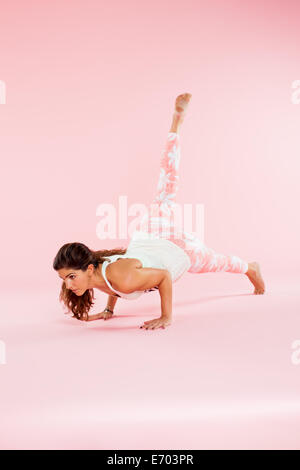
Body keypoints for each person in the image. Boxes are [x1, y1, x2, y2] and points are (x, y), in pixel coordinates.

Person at [53, 93, 265, 330]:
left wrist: (166, 317)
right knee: (167, 182)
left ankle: (250, 267)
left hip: (174, 249)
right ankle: (175, 125)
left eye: (71, 277)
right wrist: (108, 310)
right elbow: (113, 283)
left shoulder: (122, 278)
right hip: (148, 233)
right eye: (64, 279)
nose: (69, 285)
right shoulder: (99, 271)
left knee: (216, 262)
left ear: (88, 269)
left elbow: (163, 276)